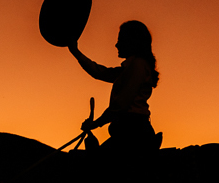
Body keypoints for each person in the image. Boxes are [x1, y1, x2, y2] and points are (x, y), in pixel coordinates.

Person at [67, 20, 160, 155]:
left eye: (120, 40)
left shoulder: (138, 65)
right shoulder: (131, 67)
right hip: (131, 131)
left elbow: (120, 105)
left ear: (132, 41)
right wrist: (76, 52)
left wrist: (95, 124)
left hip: (132, 134)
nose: (116, 45)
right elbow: (100, 72)